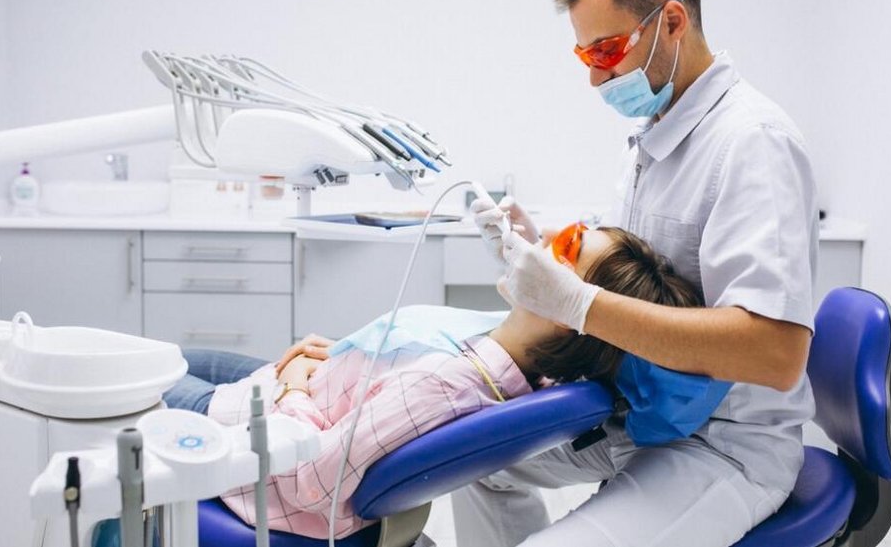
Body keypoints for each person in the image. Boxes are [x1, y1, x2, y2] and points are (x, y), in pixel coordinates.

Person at [462, 0, 819, 547]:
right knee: (473, 462)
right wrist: (540, 252)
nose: (597, 77)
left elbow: (776, 354)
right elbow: (630, 271)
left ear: (672, 21)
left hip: (724, 444)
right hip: (644, 416)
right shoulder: (655, 134)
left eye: (607, 50)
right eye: (585, 57)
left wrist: (578, 306)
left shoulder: (750, 143)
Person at [163, 226, 707, 540]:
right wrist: (357, 361)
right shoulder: (524, 361)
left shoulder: (449, 388)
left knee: (143, 376)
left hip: (262, 447)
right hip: (314, 391)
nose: (541, 240)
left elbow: (315, 484)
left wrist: (295, 385)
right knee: (179, 356)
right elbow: (400, 392)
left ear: (569, 310)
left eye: (564, 247)